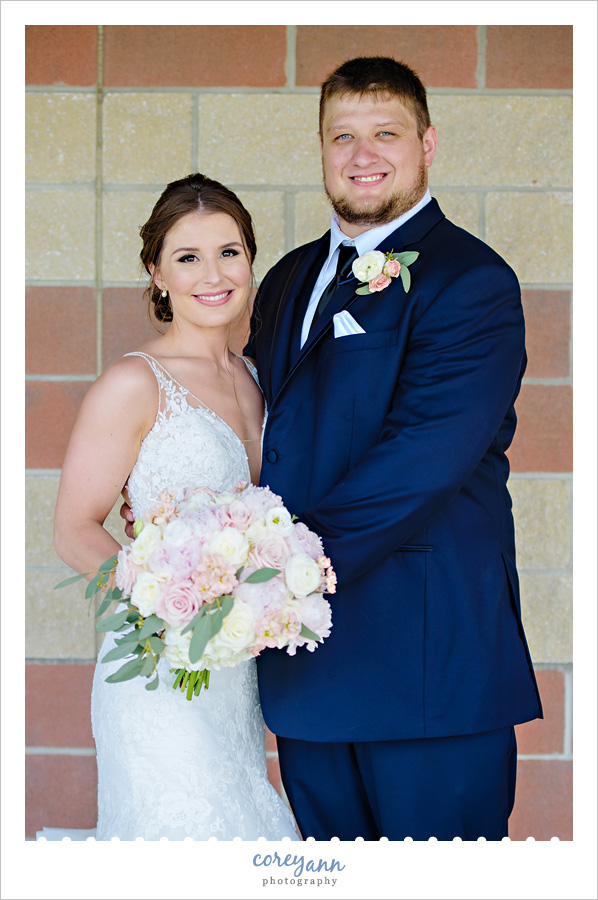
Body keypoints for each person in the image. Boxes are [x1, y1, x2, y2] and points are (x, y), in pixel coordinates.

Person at [243, 56, 543, 840]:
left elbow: (425, 457)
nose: (362, 154)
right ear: (321, 147)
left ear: (427, 144)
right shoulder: (287, 279)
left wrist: (280, 571)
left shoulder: (471, 280)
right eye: (342, 135)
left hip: (425, 667)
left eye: (386, 133)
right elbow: (257, 425)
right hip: (308, 668)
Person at [50, 173, 300, 841]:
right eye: (188, 257)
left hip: (235, 674)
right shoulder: (134, 382)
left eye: (229, 252)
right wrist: (171, 607)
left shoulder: (258, 378)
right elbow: (73, 530)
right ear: (157, 274)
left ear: (250, 262)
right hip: (159, 668)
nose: (212, 274)